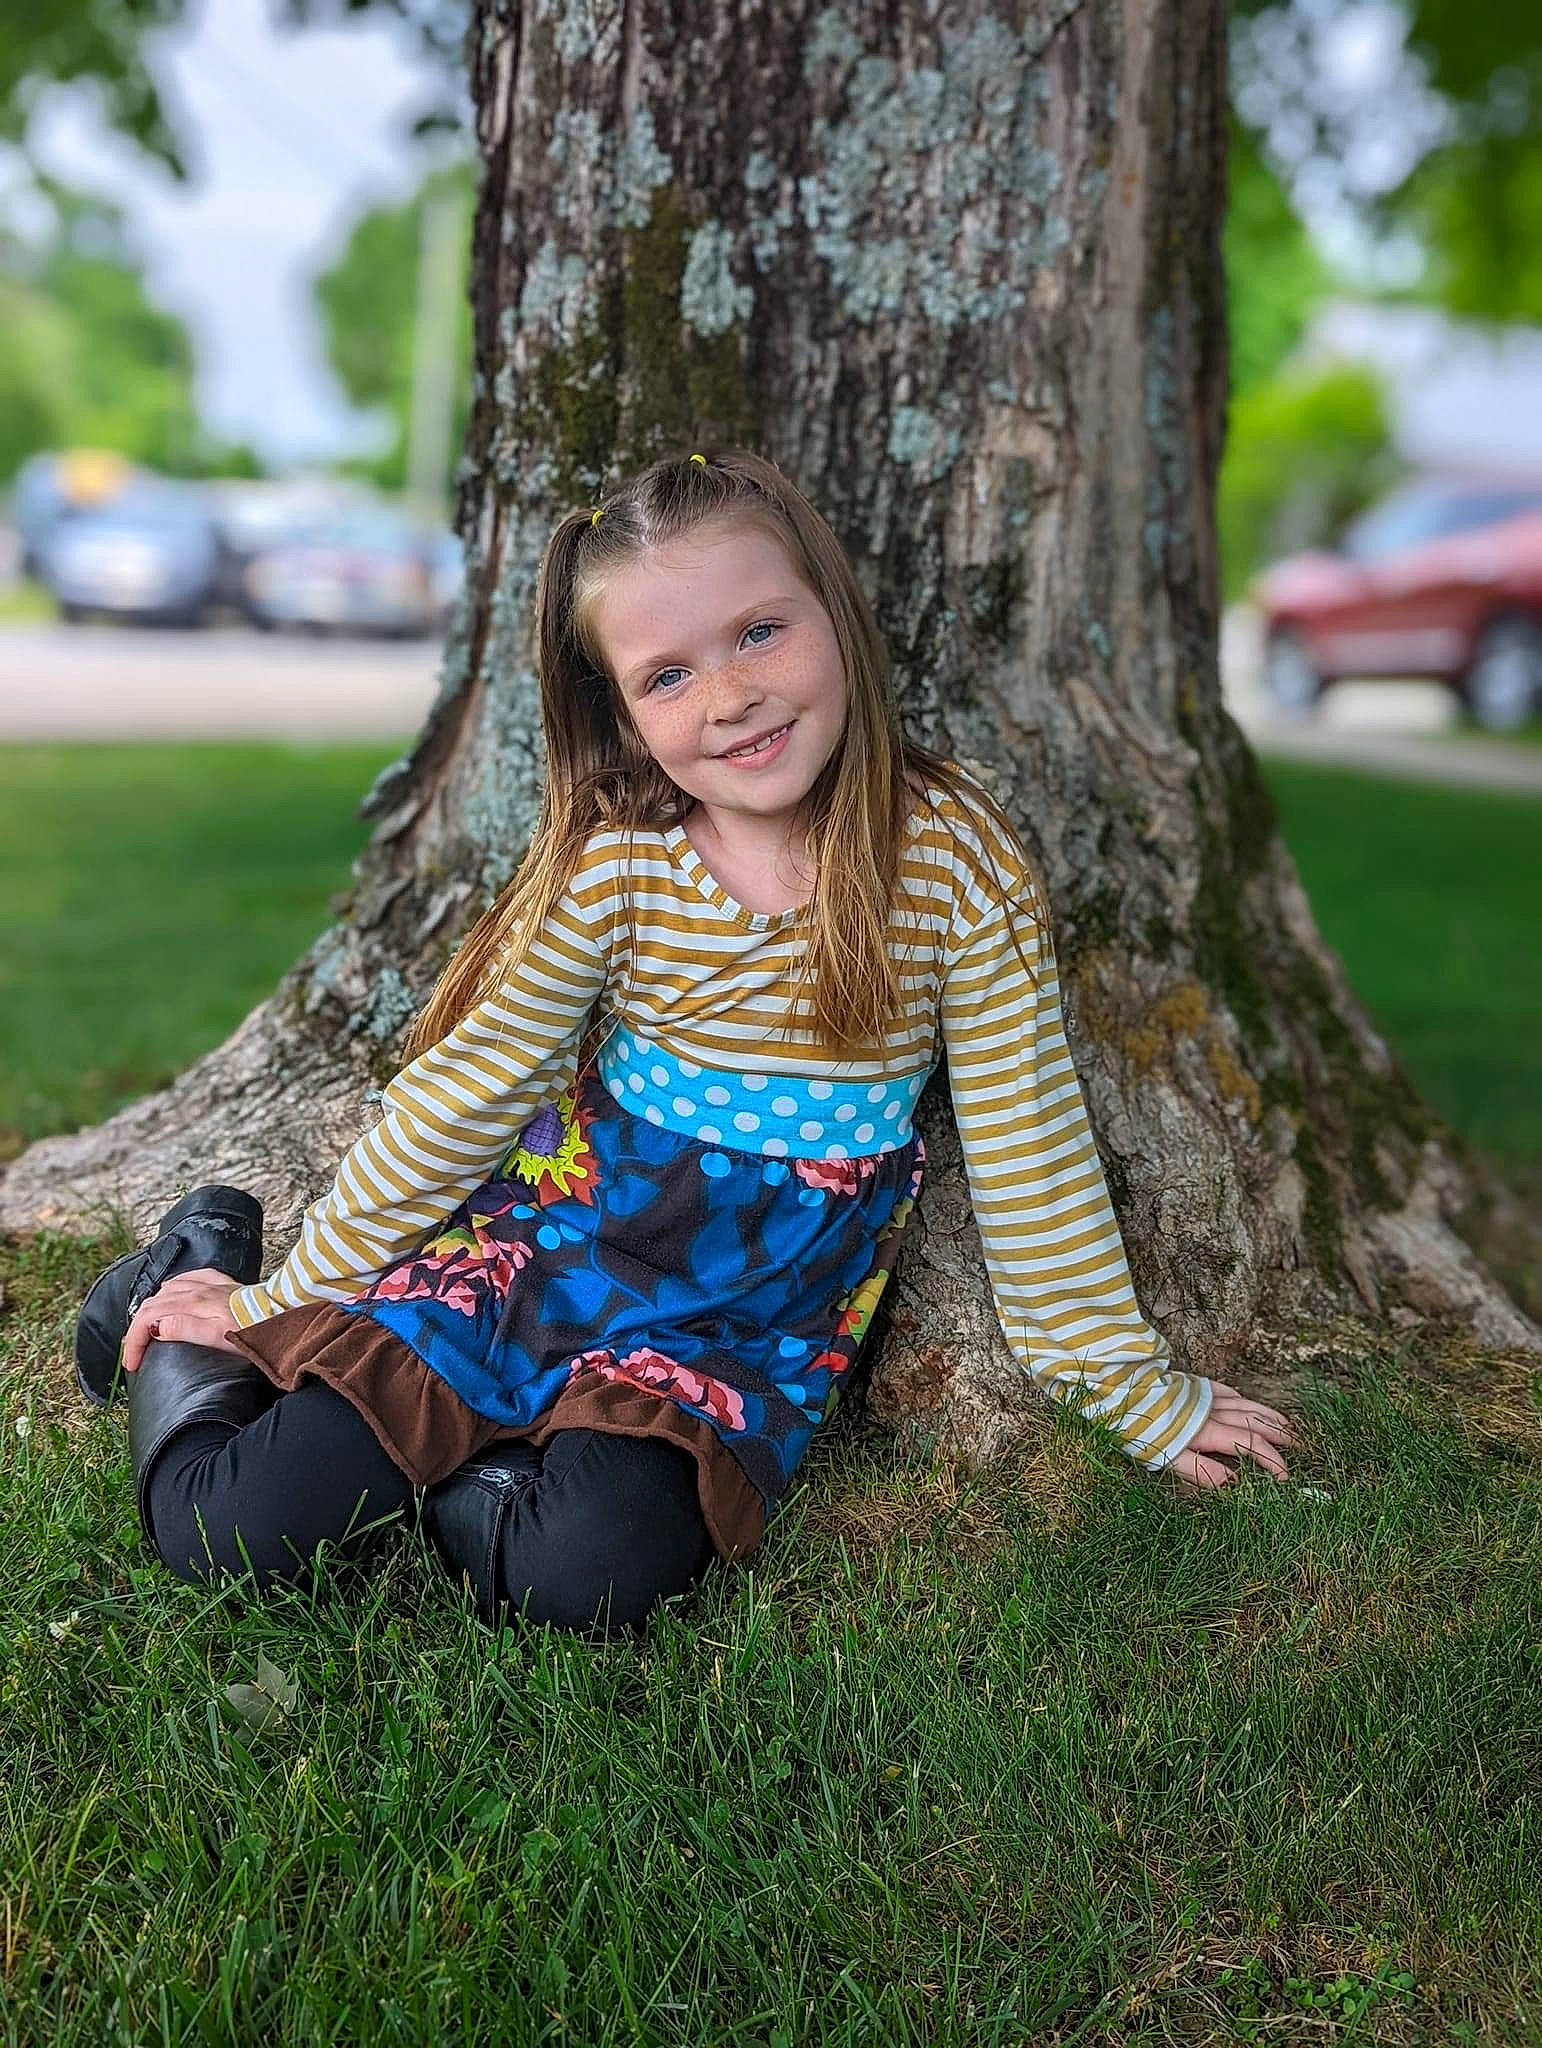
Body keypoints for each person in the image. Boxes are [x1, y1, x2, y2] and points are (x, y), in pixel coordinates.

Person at [76, 447, 1296, 1640]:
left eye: (761, 632)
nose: (730, 696)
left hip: (742, 1313)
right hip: (555, 1243)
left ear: (837, 613)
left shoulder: (951, 856)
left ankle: (485, 1471)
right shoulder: (622, 856)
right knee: (227, 1532)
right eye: (668, 675)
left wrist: (1120, 1379)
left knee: (589, 1573)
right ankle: (191, 1264)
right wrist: (282, 1299)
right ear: (621, 707)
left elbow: (1030, 1129)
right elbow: (469, 1089)